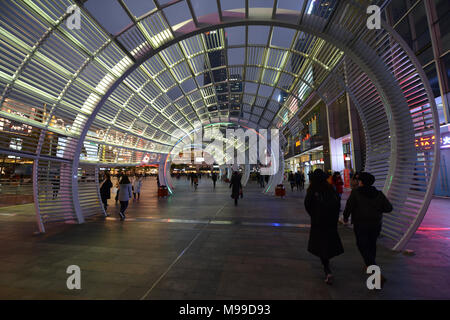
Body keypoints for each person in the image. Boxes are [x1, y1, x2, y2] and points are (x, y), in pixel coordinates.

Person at [343, 172, 392, 279]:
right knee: (371, 244)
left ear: (362, 182)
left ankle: (374, 271)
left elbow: (349, 206)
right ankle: (369, 264)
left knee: (362, 245)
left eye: (359, 181)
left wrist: (345, 217)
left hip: (361, 224)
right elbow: (389, 208)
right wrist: (377, 209)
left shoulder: (356, 193)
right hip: (376, 224)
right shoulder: (378, 194)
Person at [304, 169, 344, 285]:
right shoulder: (330, 188)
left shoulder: (312, 189)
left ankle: (327, 269)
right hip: (330, 222)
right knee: (328, 242)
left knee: (321, 243)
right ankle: (327, 262)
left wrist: (314, 215)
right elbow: (337, 203)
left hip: (318, 222)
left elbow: (307, 204)